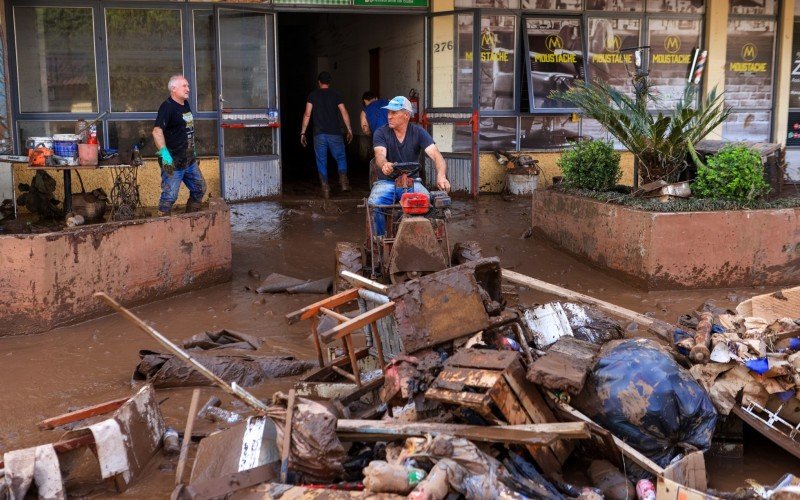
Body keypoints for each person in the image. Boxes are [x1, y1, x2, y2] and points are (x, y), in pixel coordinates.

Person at [369, 95, 450, 236]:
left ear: (406, 115)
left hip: (412, 183)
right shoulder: (381, 132)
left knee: (428, 204)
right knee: (374, 203)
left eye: (394, 113)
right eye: (388, 112)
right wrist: (385, 164)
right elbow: (380, 155)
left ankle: (421, 240)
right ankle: (379, 242)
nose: (389, 116)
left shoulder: (418, 132)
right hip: (386, 182)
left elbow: (437, 156)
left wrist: (441, 176)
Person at [152, 74, 206, 216]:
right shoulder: (167, 107)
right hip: (171, 160)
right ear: (173, 88)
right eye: (185, 86)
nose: (188, 89)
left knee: (199, 188)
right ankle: (162, 224)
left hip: (188, 159)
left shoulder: (185, 104)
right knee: (169, 197)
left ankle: (190, 219)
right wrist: (165, 155)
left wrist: (192, 152)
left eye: (188, 86)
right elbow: (157, 131)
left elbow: (185, 131)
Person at [300, 71, 353, 198]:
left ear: (319, 82)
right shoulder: (336, 94)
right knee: (340, 157)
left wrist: (303, 132)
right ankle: (344, 183)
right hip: (335, 133)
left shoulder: (312, 95)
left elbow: (307, 114)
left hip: (319, 134)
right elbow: (344, 112)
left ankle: (325, 188)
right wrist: (349, 129)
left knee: (321, 160)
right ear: (329, 82)